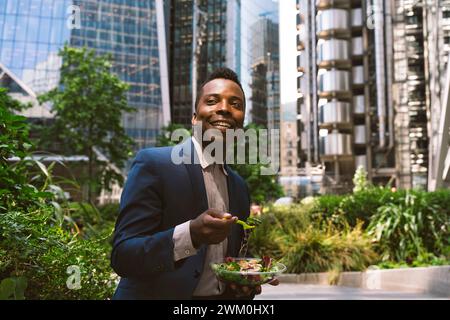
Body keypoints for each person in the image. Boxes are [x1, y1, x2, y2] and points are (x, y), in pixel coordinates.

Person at [110, 67, 277, 300]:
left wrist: (243, 282)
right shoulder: (154, 164)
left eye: (236, 104)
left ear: (241, 124)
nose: (224, 109)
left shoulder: (239, 187)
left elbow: (226, 264)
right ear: (195, 117)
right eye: (212, 101)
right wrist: (191, 235)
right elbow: (123, 257)